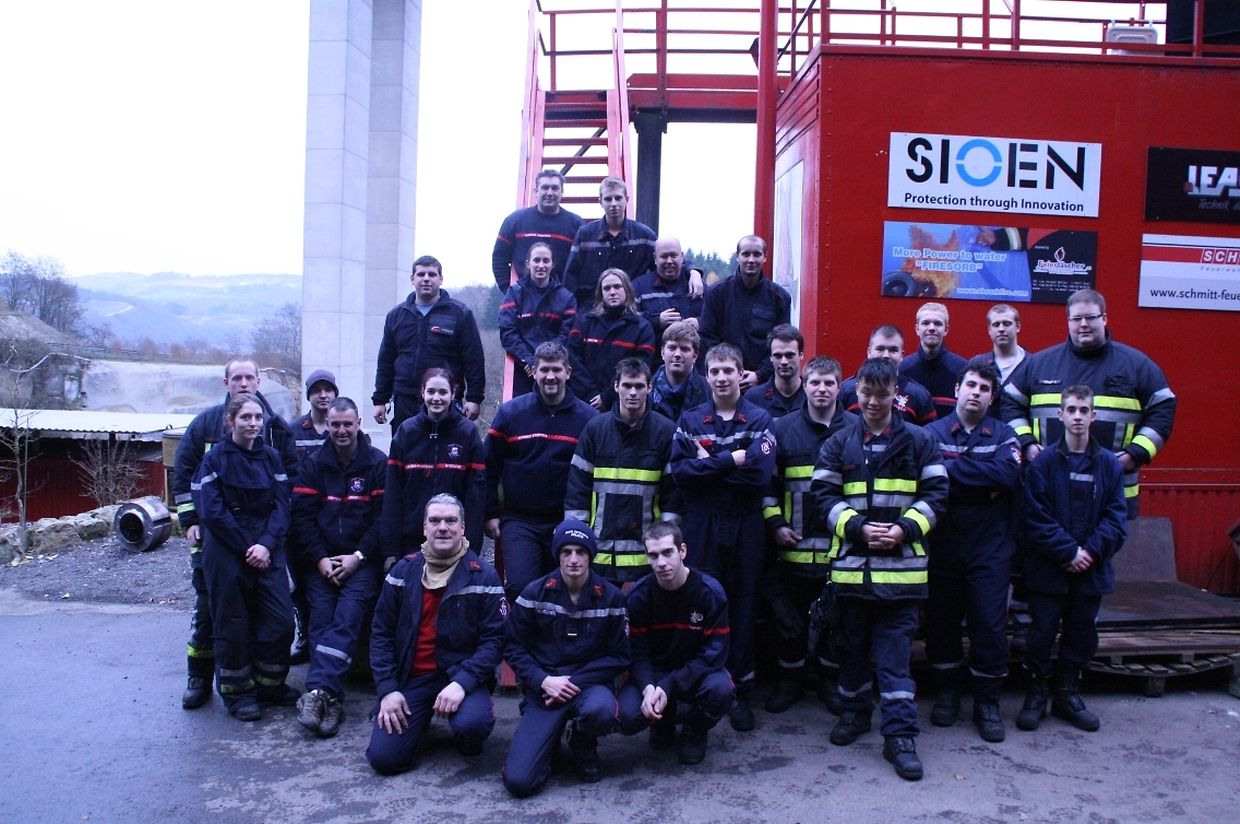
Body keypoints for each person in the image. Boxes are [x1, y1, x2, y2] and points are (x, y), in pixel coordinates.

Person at [812, 357, 947, 781]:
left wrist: (905, 530)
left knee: (894, 662)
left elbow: (937, 495)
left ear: (896, 395)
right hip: (852, 574)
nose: (873, 401)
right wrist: (858, 528)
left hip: (901, 578)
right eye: (866, 393)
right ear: (856, 393)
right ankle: (855, 714)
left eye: (882, 394)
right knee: (852, 653)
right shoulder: (838, 443)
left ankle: (900, 737)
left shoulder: (921, 442)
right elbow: (822, 497)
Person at [173, 357, 297, 710]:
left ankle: (269, 684)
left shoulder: (275, 434)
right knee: (218, 618)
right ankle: (223, 687)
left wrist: (267, 543)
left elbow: (286, 495)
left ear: (259, 382)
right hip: (223, 546)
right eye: (237, 377)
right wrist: (189, 521)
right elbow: (188, 482)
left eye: (249, 377)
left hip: (265, 545)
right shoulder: (206, 430)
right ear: (226, 383)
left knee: (277, 620)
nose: (244, 383)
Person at [669, 342, 776, 732]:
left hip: (747, 523)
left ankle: (739, 691)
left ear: (740, 373)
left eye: (728, 370)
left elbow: (759, 476)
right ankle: (704, 687)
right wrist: (731, 459)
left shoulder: (760, 419)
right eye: (714, 371)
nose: (721, 377)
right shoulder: (691, 420)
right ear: (707, 375)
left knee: (744, 606)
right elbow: (682, 475)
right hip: (703, 524)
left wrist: (709, 466)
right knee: (704, 604)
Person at [1002, 288, 1176, 519]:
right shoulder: (1040, 364)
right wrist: (1027, 444)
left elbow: (1163, 408)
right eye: (1076, 318)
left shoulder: (1135, 365)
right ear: (1068, 321)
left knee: (1106, 542)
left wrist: (1135, 453)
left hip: (1112, 492)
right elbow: (1010, 403)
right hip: (1048, 490)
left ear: (1104, 318)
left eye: (1090, 317)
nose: (1083, 324)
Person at [366, 494, 507, 773]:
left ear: (463, 528)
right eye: (435, 521)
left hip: (458, 677)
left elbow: (495, 641)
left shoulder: (484, 576)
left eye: (451, 521)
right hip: (412, 678)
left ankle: (467, 727)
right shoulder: (402, 572)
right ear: (424, 527)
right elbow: (381, 634)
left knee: (473, 725)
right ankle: (417, 720)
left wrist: (463, 683)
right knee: (384, 760)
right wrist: (388, 689)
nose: (443, 527)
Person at [1016, 386, 1127, 733]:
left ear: (1094, 416)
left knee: (1081, 635)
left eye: (1084, 410)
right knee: (1041, 634)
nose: (1077, 416)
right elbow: (1034, 517)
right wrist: (1067, 552)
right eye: (1072, 410)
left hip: (1090, 572)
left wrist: (1089, 552)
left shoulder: (1109, 465)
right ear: (1060, 415)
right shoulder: (1043, 463)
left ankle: (1067, 695)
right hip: (1049, 571)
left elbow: (1116, 518)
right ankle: (1036, 695)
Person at [923, 360, 1022, 743]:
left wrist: (951, 471)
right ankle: (947, 695)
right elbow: (925, 476)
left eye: (984, 388)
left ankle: (987, 703)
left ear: (992, 397)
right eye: (971, 385)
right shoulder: (931, 433)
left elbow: (1007, 475)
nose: (976, 393)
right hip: (943, 547)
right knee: (941, 624)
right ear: (957, 389)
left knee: (989, 627)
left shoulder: (1004, 434)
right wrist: (980, 479)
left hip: (989, 551)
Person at [502, 520, 630, 797]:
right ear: (557, 555)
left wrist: (573, 682)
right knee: (519, 781)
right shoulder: (534, 593)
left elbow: (620, 656)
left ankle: (583, 742)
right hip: (545, 688)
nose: (573, 559)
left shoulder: (611, 597)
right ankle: (549, 746)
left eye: (581, 552)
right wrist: (542, 680)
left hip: (589, 686)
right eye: (566, 552)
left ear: (590, 556)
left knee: (601, 710)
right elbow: (512, 647)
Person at [762, 356, 856, 714]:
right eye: (815, 382)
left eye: (829, 383)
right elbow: (766, 486)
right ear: (805, 384)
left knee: (838, 624)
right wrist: (775, 524)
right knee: (789, 622)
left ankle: (829, 682)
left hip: (839, 552)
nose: (822, 389)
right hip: (793, 551)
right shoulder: (781, 429)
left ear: (839, 386)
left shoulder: (856, 430)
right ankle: (790, 682)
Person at [291, 397, 387, 737]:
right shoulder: (314, 465)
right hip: (322, 561)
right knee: (320, 619)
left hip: (362, 562)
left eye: (348, 424)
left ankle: (317, 693)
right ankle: (330, 699)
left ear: (359, 424)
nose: (342, 430)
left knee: (347, 617)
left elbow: (383, 520)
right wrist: (319, 558)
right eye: (335, 425)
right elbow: (302, 518)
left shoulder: (377, 464)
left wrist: (358, 557)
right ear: (327, 426)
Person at [485, 342, 598, 601]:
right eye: (544, 370)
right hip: (519, 521)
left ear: (568, 372)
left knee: (564, 590)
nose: (550, 376)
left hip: (568, 520)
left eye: (556, 370)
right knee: (521, 587)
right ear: (533, 372)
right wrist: (490, 513)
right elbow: (489, 465)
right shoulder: (510, 413)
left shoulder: (588, 419)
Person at [618, 522, 732, 765]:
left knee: (721, 691)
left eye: (667, 553)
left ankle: (695, 728)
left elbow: (714, 654)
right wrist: (648, 687)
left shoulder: (709, 593)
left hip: (697, 672)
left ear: (682, 551)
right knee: (627, 716)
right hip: (656, 672)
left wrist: (670, 685)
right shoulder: (638, 596)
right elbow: (637, 652)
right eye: (653, 555)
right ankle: (663, 720)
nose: (661, 562)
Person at [564, 358, 681, 587]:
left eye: (639, 386)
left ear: (650, 387)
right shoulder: (595, 429)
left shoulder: (665, 432)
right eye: (627, 385)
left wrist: (667, 547)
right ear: (616, 386)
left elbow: (673, 497)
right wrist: (577, 542)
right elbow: (577, 491)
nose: (633, 392)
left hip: (648, 557)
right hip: (600, 554)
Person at [372, 254, 485, 433]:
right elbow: (386, 360)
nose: (426, 279)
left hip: (445, 400)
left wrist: (474, 398)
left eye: (432, 274)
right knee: (405, 448)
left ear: (441, 279)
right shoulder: (396, 315)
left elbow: (473, 360)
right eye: (421, 274)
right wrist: (380, 399)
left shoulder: (459, 314)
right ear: (412, 279)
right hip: (405, 401)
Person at [382, 368, 486, 556]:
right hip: (411, 541)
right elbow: (393, 493)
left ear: (453, 394)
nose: (436, 398)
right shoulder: (406, 432)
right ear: (422, 393)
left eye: (443, 392)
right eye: (431, 391)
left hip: (455, 542)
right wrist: (391, 549)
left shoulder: (468, 433)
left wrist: (472, 545)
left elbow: (475, 494)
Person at [287, 368, 339, 664]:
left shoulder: (342, 427)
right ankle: (305, 635)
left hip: (332, 519)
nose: (323, 395)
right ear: (308, 395)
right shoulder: (293, 431)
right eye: (317, 390)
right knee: (300, 583)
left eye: (328, 389)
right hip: (300, 520)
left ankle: (327, 642)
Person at [699, 235, 791, 391]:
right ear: (738, 256)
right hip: (722, 380)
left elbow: (781, 343)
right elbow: (707, 337)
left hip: (763, 384)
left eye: (757, 254)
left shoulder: (779, 298)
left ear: (765, 257)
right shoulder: (717, 293)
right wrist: (726, 371)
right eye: (746, 254)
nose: (751, 260)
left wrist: (760, 375)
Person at [567, 268, 656, 411]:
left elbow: (640, 367)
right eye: (607, 288)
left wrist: (607, 397)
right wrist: (591, 394)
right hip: (583, 401)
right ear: (600, 293)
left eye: (617, 287)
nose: (612, 292)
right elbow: (572, 359)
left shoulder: (642, 328)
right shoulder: (584, 323)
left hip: (623, 405)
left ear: (627, 290)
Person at [563, 176, 657, 308]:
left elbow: (663, 264)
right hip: (591, 309)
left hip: (632, 310)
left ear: (626, 200)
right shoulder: (585, 235)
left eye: (618, 198)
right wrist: (570, 309)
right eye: (608, 199)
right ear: (600, 201)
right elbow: (570, 276)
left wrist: (693, 271)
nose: (613, 204)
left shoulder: (644, 236)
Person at [498, 241, 578, 396]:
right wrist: (528, 360)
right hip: (523, 369)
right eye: (536, 260)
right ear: (528, 263)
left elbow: (567, 335)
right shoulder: (514, 294)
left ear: (552, 264)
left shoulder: (567, 298)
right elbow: (507, 332)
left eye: (546, 261)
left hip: (556, 370)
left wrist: (546, 361)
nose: (541, 265)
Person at [491, 168, 583, 292]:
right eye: (545, 187)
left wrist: (573, 296)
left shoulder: (576, 224)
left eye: (555, 188)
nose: (549, 193)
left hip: (564, 299)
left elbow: (585, 264)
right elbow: (499, 257)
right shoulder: (515, 221)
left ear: (562, 192)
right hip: (524, 297)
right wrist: (509, 291)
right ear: (536, 191)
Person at [839, 324, 936, 425]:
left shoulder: (918, 395)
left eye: (893, 350)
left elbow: (927, 433)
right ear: (869, 352)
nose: (886, 355)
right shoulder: (846, 391)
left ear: (901, 355)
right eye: (880, 349)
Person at [899, 302, 968, 420]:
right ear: (917, 329)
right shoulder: (902, 369)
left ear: (946, 330)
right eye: (926, 323)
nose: (931, 328)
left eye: (937, 323)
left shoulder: (963, 369)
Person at [631, 236, 705, 340]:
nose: (669, 261)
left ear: (682, 257)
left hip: (693, 348)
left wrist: (699, 322)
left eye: (673, 255)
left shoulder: (697, 284)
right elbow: (629, 321)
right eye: (664, 256)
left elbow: (715, 316)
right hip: (653, 348)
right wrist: (656, 321)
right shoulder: (639, 287)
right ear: (655, 258)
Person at [649, 320, 710, 423]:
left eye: (684, 349)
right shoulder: (646, 391)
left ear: (695, 355)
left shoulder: (709, 391)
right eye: (672, 348)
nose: (677, 354)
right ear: (662, 352)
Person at [743, 324, 806, 419]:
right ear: (771, 358)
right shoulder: (753, 398)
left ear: (801, 355)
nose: (784, 362)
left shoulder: (812, 396)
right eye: (778, 356)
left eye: (789, 355)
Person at [973, 303, 1026, 386]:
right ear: (989, 330)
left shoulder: (1032, 365)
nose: (1001, 329)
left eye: (1007, 324)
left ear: (1018, 326)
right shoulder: (977, 363)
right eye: (996, 325)